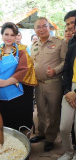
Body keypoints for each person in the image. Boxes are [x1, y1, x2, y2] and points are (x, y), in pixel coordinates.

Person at [0, 22, 37, 134]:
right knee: (6, 124)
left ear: (16, 36)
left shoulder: (21, 51)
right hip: (1, 96)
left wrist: (5, 83)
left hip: (18, 96)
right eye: (6, 34)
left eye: (12, 35)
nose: (9, 38)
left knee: (19, 124)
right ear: (2, 35)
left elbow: (23, 71)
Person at [30, 17, 67, 152]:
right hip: (38, 85)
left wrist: (55, 70)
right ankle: (41, 134)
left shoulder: (59, 43)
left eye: (44, 26)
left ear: (49, 27)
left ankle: (50, 138)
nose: (41, 29)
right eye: (38, 27)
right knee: (40, 111)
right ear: (35, 30)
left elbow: (65, 61)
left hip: (54, 84)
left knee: (53, 112)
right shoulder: (34, 45)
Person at [57, 12, 76, 160]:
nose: (70, 27)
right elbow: (67, 68)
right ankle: (69, 152)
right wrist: (67, 90)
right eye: (67, 24)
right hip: (70, 89)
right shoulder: (72, 42)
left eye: (72, 23)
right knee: (64, 127)